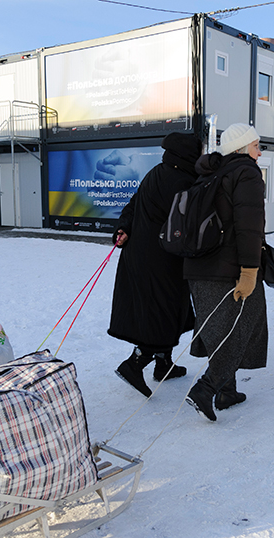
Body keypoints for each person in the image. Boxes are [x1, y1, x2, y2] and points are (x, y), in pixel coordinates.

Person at [183, 123, 268, 422]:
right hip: (229, 268)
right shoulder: (246, 173)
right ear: (244, 148)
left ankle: (227, 391)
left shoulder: (210, 172)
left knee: (219, 329)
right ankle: (205, 389)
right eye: (257, 145)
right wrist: (249, 271)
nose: (260, 152)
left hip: (198, 266)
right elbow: (249, 227)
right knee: (242, 329)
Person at [109, 132, 203, 397]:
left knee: (169, 310)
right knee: (163, 313)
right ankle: (134, 364)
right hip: (161, 259)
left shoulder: (157, 172)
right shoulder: (184, 180)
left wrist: (123, 227)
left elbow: (134, 203)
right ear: (188, 154)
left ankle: (163, 365)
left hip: (143, 255)